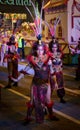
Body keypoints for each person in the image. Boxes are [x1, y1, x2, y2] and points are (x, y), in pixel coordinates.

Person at [49, 37, 66, 103]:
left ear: (57, 47)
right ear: (51, 47)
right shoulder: (49, 54)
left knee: (60, 86)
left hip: (59, 73)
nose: (54, 48)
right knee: (50, 87)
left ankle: (61, 97)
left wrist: (60, 67)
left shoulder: (60, 54)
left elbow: (61, 63)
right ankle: (48, 99)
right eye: (53, 47)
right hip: (52, 74)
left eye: (55, 47)